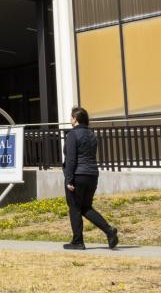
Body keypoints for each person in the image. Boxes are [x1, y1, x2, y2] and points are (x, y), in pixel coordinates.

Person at [62, 106, 119, 250]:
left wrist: (69, 179)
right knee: (86, 207)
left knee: (74, 207)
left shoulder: (72, 135)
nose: (70, 119)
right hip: (92, 175)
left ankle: (78, 241)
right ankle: (109, 231)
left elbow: (71, 159)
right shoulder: (92, 134)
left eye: (71, 117)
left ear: (75, 119)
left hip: (78, 175)